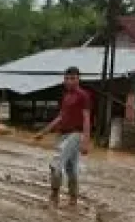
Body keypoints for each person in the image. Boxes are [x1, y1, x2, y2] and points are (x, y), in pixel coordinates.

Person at [33, 66, 92, 207]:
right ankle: (73, 198)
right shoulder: (66, 96)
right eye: (66, 78)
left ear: (78, 79)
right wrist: (44, 131)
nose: (69, 81)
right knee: (71, 168)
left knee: (56, 164)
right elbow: (60, 117)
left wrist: (86, 141)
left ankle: (54, 195)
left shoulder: (83, 96)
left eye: (72, 78)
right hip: (63, 134)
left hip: (76, 134)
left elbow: (86, 118)